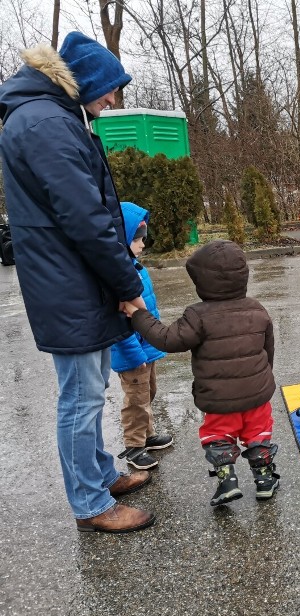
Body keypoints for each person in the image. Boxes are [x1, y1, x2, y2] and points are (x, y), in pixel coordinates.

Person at [0, 32, 156, 533]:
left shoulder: (51, 116)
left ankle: (101, 473)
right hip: (68, 283)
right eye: (109, 89)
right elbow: (86, 219)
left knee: (89, 388)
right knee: (80, 396)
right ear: (84, 81)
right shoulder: (46, 123)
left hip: (74, 281)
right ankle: (91, 503)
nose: (112, 100)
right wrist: (127, 282)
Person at [124, 240, 280, 506]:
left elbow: (168, 340)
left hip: (218, 400)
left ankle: (227, 481)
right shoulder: (257, 309)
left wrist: (139, 316)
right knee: (258, 435)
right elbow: (268, 350)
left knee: (218, 436)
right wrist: (260, 381)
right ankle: (264, 480)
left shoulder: (198, 315)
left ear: (203, 283)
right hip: (257, 395)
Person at [111, 202, 173, 470]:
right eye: (137, 238)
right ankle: (134, 445)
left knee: (149, 392)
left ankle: (147, 435)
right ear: (121, 238)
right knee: (136, 399)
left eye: (143, 238)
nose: (142, 244)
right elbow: (118, 322)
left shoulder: (135, 267)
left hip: (146, 346)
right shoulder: (116, 276)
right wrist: (135, 353)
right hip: (131, 351)